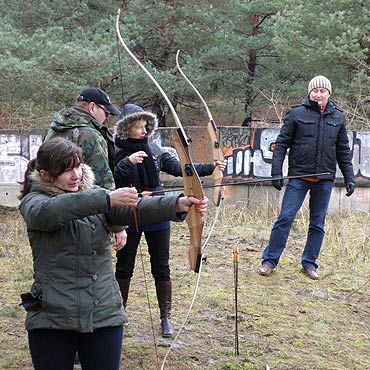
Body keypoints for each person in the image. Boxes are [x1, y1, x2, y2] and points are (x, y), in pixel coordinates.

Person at [18, 138, 208, 370]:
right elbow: (53, 211)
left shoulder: (94, 195)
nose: (76, 175)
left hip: (104, 312)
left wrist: (177, 204)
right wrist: (107, 198)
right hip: (53, 317)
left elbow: (135, 208)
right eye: (66, 170)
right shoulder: (34, 203)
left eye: (77, 166)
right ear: (46, 175)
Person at [113, 104, 226, 338]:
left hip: (157, 213)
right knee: (125, 265)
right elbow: (110, 179)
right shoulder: (115, 152)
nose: (143, 131)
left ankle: (166, 318)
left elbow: (182, 168)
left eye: (146, 126)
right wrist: (126, 163)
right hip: (129, 214)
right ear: (126, 128)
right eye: (138, 126)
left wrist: (211, 167)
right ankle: (117, 315)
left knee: (161, 265)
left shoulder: (155, 150)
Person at [259, 75, 355, 280]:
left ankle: (309, 263)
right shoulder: (296, 113)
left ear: (329, 93)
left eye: (323, 91)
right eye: (315, 90)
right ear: (309, 92)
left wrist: (349, 177)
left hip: (325, 179)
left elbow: (343, 150)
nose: (318, 94)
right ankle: (269, 261)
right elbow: (282, 144)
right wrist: (276, 172)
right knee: (285, 218)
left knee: (317, 223)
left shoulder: (338, 117)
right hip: (299, 177)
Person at [43, 87, 127, 254]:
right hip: (85, 212)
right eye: (106, 111)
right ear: (92, 107)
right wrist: (118, 225)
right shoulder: (90, 135)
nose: (108, 117)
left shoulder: (55, 128)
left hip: (52, 208)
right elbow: (104, 180)